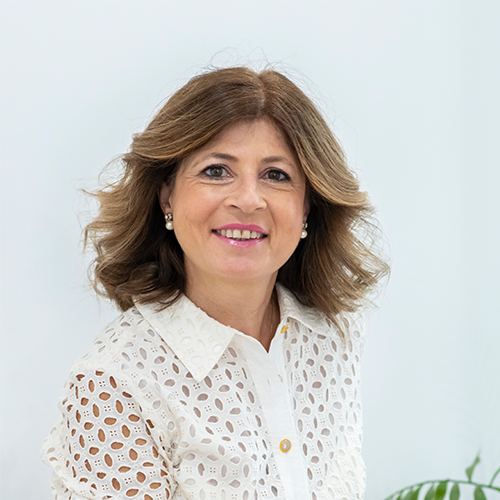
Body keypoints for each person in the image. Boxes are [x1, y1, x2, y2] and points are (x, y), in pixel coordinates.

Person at [42, 66, 388, 500]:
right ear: (167, 196)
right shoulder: (114, 384)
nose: (247, 199)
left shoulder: (336, 332)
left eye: (276, 175)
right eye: (216, 171)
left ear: (307, 207)